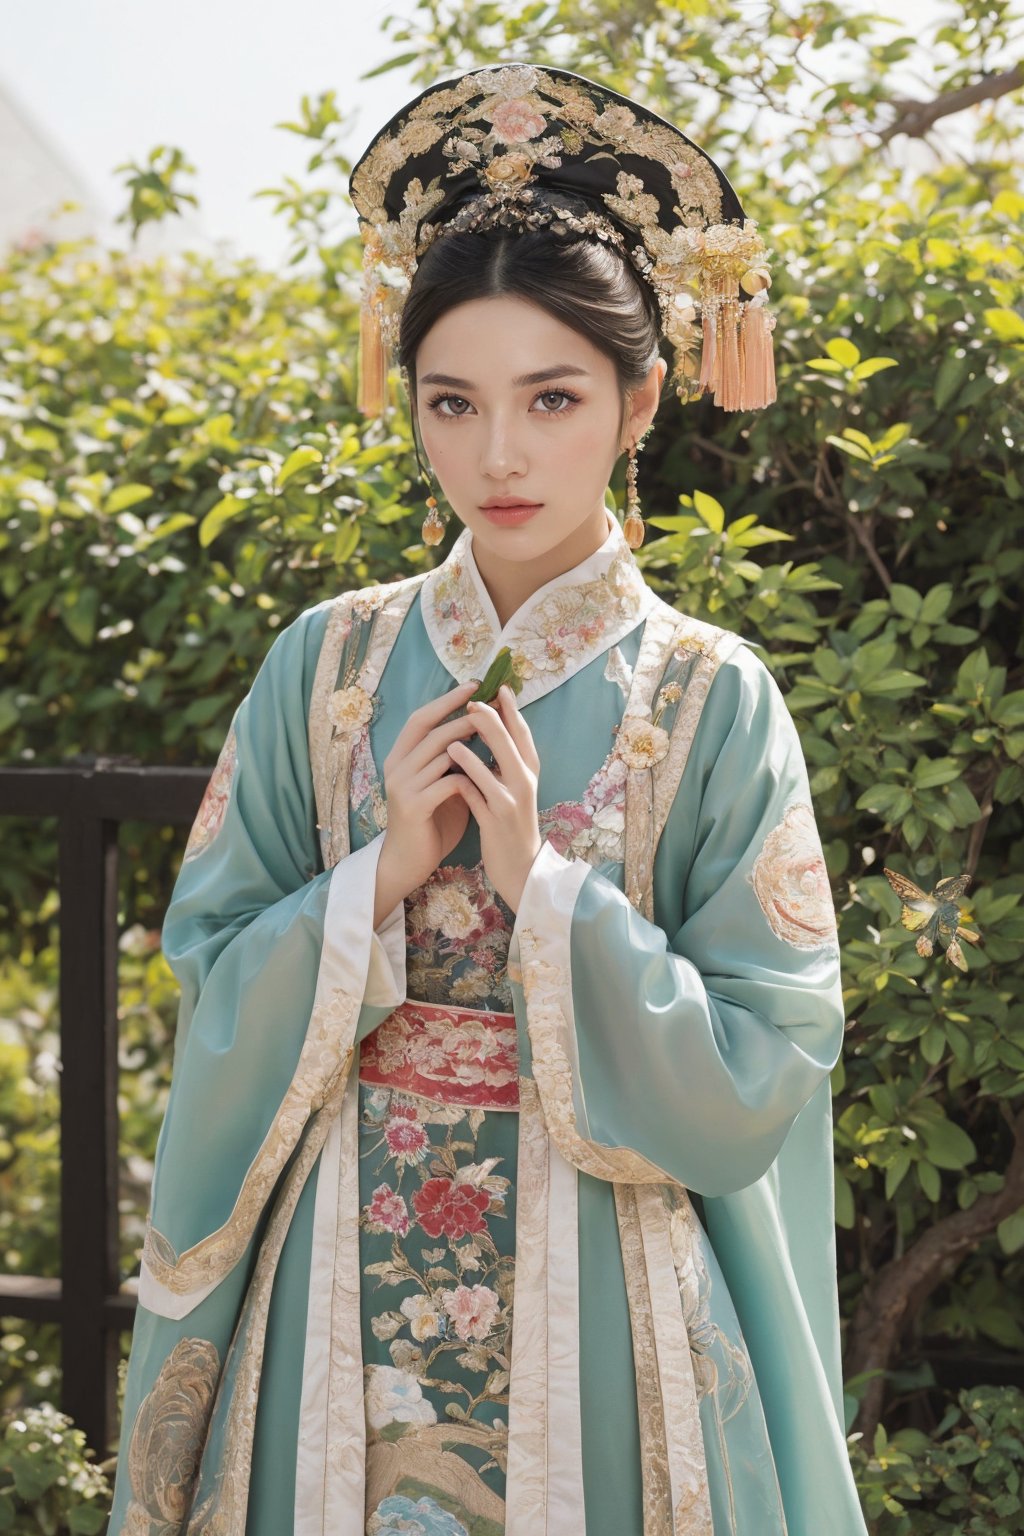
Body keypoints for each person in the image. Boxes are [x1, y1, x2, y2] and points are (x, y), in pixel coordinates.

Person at [107, 62, 868, 1536]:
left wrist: (554, 896)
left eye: (553, 397)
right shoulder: (325, 664)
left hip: (610, 1277)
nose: (499, 455)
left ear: (644, 397)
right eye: (452, 402)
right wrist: (377, 875)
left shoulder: (711, 700)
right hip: (336, 1262)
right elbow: (208, 977)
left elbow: (770, 1056)